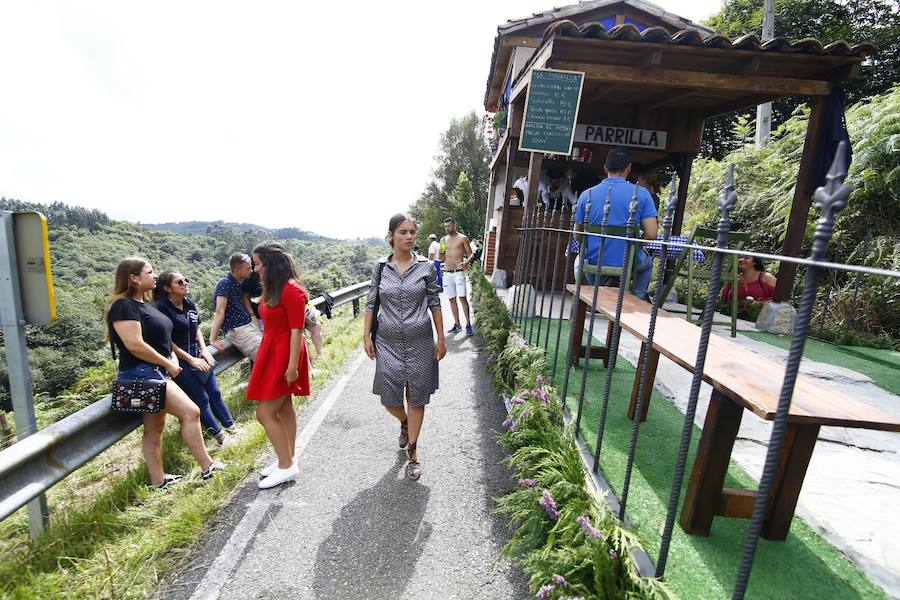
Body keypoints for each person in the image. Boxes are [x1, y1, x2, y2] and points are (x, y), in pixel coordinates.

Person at [106, 257, 224, 489]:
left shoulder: (147, 305)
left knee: (155, 428)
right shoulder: (123, 306)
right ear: (133, 278)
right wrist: (168, 363)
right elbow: (134, 344)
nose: (154, 275)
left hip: (154, 371)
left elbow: (160, 339)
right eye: (149, 272)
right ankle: (207, 467)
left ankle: (158, 480)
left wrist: (169, 357)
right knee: (191, 412)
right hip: (142, 373)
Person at [364, 213, 445, 481]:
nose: (409, 236)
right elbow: (371, 303)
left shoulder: (426, 267)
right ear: (391, 236)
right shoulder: (380, 267)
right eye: (403, 232)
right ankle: (404, 422)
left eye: (412, 232)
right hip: (386, 341)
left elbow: (434, 303)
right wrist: (366, 336)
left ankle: (413, 454)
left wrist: (441, 338)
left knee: (417, 396)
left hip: (420, 340)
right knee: (389, 396)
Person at [246, 241, 311, 489]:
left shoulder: (291, 291)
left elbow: (297, 331)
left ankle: (286, 465)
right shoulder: (275, 289)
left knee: (264, 413)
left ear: (271, 264)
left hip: (284, 354)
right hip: (273, 350)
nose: (255, 269)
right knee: (283, 409)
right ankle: (287, 457)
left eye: (259, 264)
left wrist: (292, 366)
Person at [154, 271, 238, 450]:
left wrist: (204, 350)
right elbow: (167, 341)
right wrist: (191, 359)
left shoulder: (189, 303)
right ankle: (220, 437)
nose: (185, 283)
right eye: (179, 282)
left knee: (214, 392)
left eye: (185, 280)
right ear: (167, 288)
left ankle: (231, 427)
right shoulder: (161, 308)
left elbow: (197, 328)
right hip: (179, 358)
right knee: (201, 398)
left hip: (198, 353)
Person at [574, 147, 658, 300]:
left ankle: (596, 295)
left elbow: (577, 234)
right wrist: (637, 247)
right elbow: (652, 234)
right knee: (647, 265)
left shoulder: (587, 195)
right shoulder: (642, 194)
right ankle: (637, 300)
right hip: (628, 260)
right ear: (629, 168)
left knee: (580, 261)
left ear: (605, 168)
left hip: (595, 260)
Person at [209, 253, 262, 360]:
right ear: (238, 270)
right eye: (248, 269)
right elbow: (220, 311)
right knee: (266, 358)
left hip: (247, 325)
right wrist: (213, 339)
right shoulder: (225, 283)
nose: (251, 271)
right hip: (237, 329)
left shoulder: (238, 283)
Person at [440, 217, 475, 336]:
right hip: (447, 272)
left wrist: (466, 262)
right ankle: (457, 324)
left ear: (454, 225)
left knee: (462, 298)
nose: (447, 228)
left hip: (458, 272)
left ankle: (468, 324)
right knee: (451, 299)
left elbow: (471, 254)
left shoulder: (462, 238)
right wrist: (441, 253)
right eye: (445, 226)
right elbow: (441, 259)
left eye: (449, 226)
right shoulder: (444, 240)